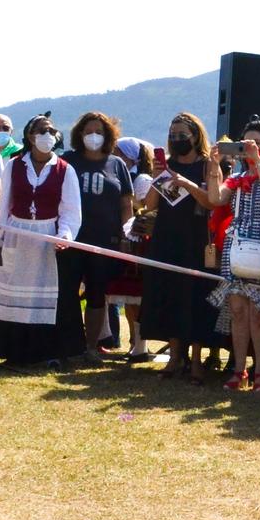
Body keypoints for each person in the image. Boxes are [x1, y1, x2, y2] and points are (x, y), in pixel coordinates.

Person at [180, 117, 260, 390]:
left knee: (259, 313)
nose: (251, 149)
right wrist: (215, 166)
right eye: (246, 144)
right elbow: (215, 199)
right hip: (235, 248)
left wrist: (258, 162)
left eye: (257, 144)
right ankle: (238, 370)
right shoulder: (237, 178)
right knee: (238, 310)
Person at [0, 115, 80, 367]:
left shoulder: (65, 169)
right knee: (14, 293)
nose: (47, 135)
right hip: (16, 234)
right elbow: (4, 206)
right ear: (30, 136)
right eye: (41, 131)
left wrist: (65, 236)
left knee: (45, 297)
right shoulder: (13, 166)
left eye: (51, 130)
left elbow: (71, 210)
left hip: (46, 237)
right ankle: (13, 350)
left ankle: (44, 352)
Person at [141, 113, 222, 382]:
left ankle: (197, 361)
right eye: (173, 135)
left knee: (196, 297)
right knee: (170, 295)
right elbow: (150, 204)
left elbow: (212, 202)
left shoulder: (207, 165)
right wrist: (158, 177)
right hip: (167, 238)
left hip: (197, 238)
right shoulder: (168, 165)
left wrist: (186, 184)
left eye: (182, 135)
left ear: (196, 136)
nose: (177, 140)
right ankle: (175, 357)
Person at [57, 111, 134, 363]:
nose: (93, 136)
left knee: (97, 294)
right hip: (71, 239)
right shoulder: (68, 161)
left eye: (99, 132)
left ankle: (91, 346)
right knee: (67, 293)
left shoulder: (117, 165)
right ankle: (69, 345)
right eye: (88, 131)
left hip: (104, 240)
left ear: (108, 135)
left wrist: (126, 235)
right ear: (80, 134)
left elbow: (126, 204)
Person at [107, 135, 153, 358]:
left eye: (119, 152)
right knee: (127, 296)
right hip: (124, 240)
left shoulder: (142, 179)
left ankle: (140, 342)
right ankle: (134, 341)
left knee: (137, 296)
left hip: (137, 242)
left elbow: (143, 207)